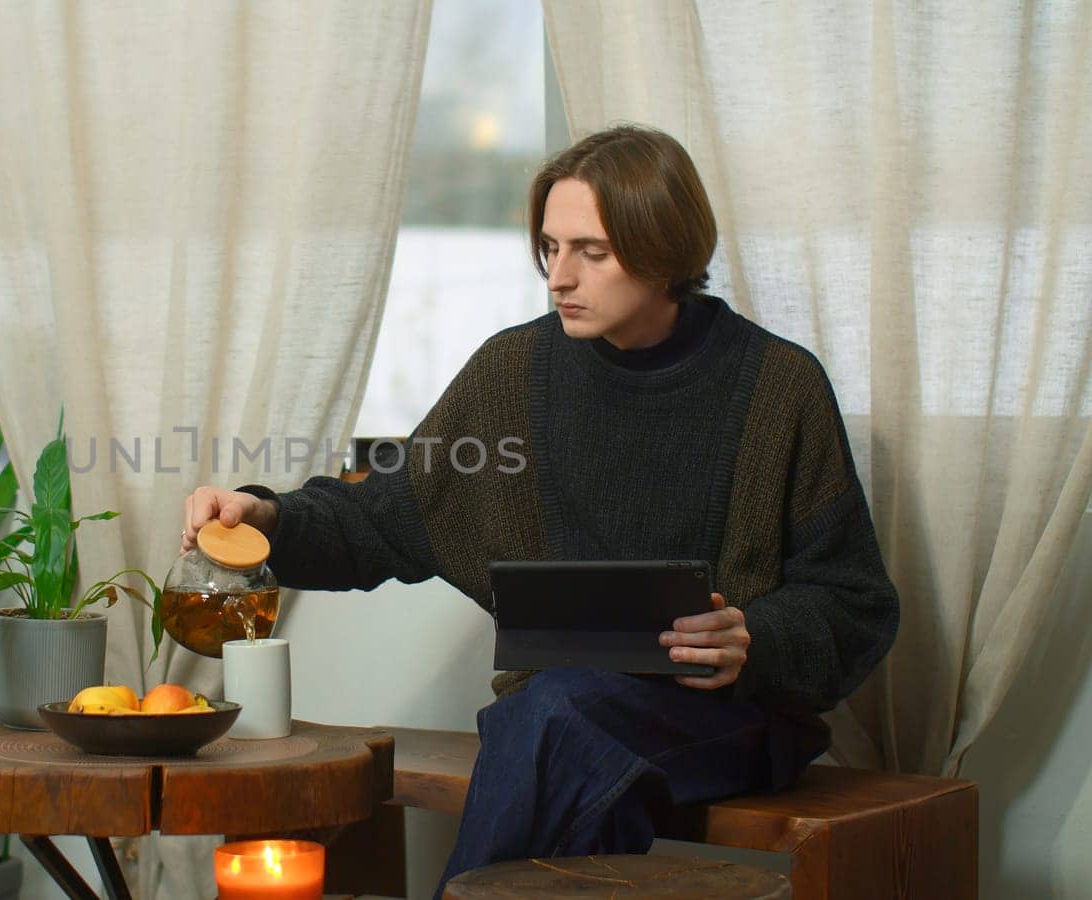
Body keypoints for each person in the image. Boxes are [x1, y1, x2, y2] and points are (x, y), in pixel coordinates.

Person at [181, 124, 898, 894]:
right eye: (550, 248)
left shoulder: (778, 386)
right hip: (555, 722)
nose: (560, 276)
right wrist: (266, 516)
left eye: (591, 251)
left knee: (555, 718)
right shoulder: (511, 373)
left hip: (728, 718)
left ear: (665, 251)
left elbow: (854, 605)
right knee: (562, 724)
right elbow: (382, 516)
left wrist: (754, 638)